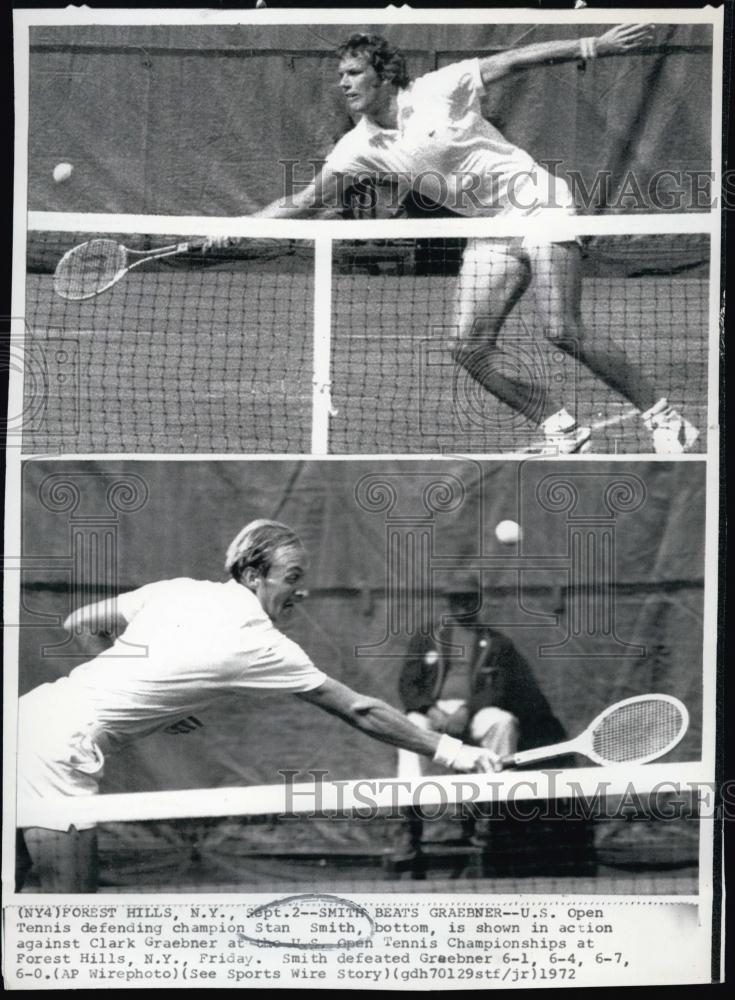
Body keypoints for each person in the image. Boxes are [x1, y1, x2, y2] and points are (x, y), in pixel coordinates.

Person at [213, 26, 697, 454]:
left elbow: (513, 60)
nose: (343, 83)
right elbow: (303, 200)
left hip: (539, 203)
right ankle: (561, 428)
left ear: (383, 74)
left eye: (354, 72)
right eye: (340, 75)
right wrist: (240, 226)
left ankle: (665, 419)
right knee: (467, 347)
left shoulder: (439, 88)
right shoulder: (356, 148)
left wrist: (592, 45)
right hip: (491, 228)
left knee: (561, 329)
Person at [16, 520, 502, 893]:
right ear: (253, 576)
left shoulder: (178, 590)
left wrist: (143, 693)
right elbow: (360, 710)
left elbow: (81, 622)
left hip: (25, 720)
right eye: (292, 578)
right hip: (58, 754)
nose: (301, 590)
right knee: (70, 911)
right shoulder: (258, 644)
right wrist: (455, 753)